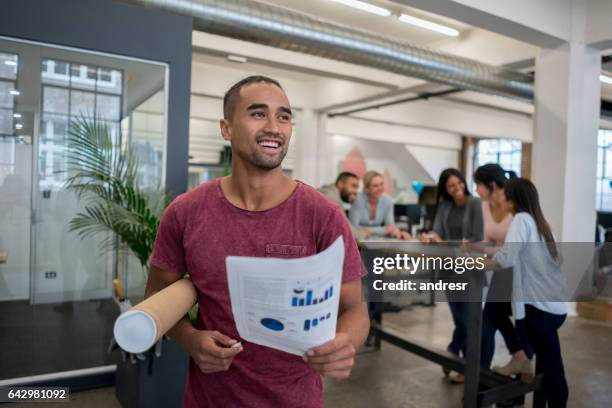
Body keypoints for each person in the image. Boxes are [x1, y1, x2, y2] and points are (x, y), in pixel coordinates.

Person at [146, 75, 370, 407]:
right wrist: (190, 339)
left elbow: (354, 308)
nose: (274, 127)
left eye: (283, 116)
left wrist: (343, 343)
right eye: (257, 113)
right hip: (211, 399)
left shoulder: (323, 215)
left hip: (296, 399)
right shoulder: (185, 213)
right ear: (226, 128)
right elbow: (156, 295)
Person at [492, 178, 568, 407]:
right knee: (495, 307)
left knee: (554, 374)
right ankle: (521, 358)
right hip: (554, 309)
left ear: (512, 199)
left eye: (505, 194)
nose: (502, 198)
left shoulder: (520, 219)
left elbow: (506, 259)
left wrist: (477, 261)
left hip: (539, 312)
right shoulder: (540, 223)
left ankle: (521, 358)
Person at [421, 168, 483, 384]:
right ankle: (457, 358)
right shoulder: (445, 206)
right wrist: (430, 237)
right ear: (445, 190)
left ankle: (455, 354)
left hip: (469, 269)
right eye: (451, 186)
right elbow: (437, 231)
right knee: (459, 319)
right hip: (448, 268)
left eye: (459, 183)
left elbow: (477, 238)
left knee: (467, 321)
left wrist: (445, 242)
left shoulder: (475, 204)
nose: (457, 189)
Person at [474, 165, 533, 375]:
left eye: (478, 185)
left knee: (522, 322)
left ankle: (519, 375)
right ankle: (481, 377)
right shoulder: (484, 206)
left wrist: (484, 249)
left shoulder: (515, 207)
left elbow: (514, 249)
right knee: (490, 318)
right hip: (502, 269)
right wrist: (475, 247)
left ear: (491, 185)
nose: (476, 190)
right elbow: (488, 241)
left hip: (522, 273)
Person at [349, 170, 411, 240]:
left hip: (378, 242)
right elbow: (353, 228)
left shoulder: (388, 201)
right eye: (375, 186)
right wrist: (383, 230)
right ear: (367, 188)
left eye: (381, 184)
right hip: (359, 242)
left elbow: (390, 227)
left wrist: (398, 233)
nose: (380, 189)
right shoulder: (357, 200)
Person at [319, 172, 369, 240]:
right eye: (353, 186)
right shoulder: (332, 199)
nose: (356, 191)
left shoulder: (327, 192)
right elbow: (345, 229)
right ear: (341, 184)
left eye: (357, 188)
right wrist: (363, 234)